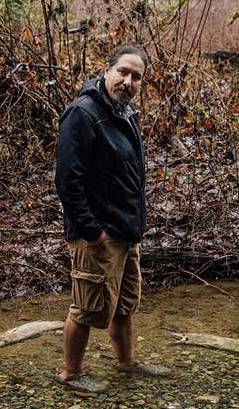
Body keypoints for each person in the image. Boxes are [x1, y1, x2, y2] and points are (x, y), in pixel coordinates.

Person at [55, 45, 169, 391]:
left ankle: (126, 365)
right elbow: (67, 180)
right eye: (122, 71)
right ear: (106, 70)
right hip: (97, 235)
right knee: (87, 308)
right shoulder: (83, 114)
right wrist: (93, 233)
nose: (128, 80)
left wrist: (134, 227)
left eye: (136, 76)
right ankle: (71, 374)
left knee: (123, 305)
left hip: (125, 231)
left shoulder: (126, 113)